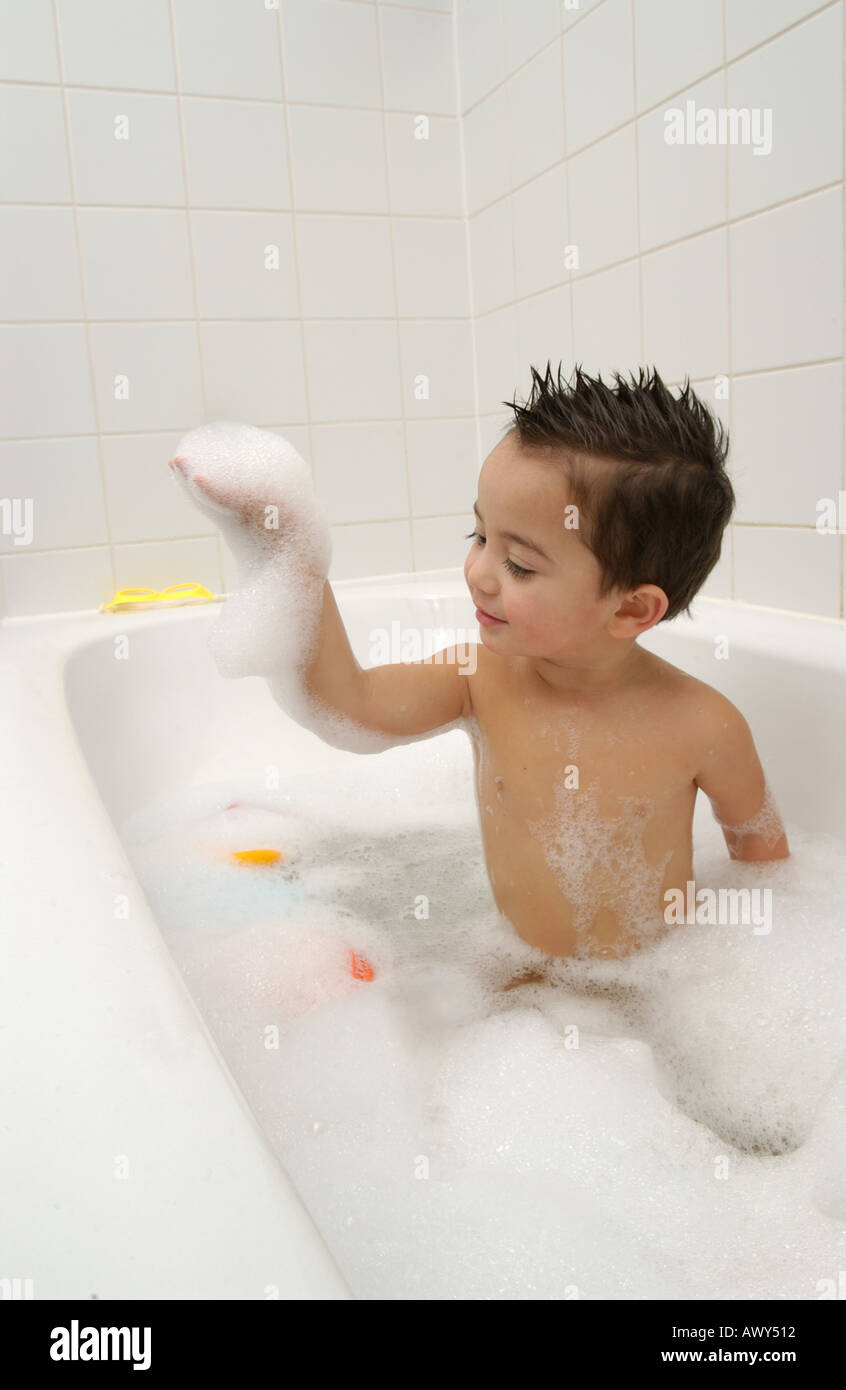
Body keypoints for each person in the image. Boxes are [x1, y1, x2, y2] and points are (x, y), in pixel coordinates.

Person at [169, 362, 789, 983]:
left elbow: (763, 861)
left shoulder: (704, 724)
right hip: (518, 977)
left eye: (518, 564)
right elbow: (349, 704)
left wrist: (740, 971)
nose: (478, 573)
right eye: (479, 534)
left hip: (655, 983)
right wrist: (291, 554)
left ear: (630, 607)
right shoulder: (479, 676)